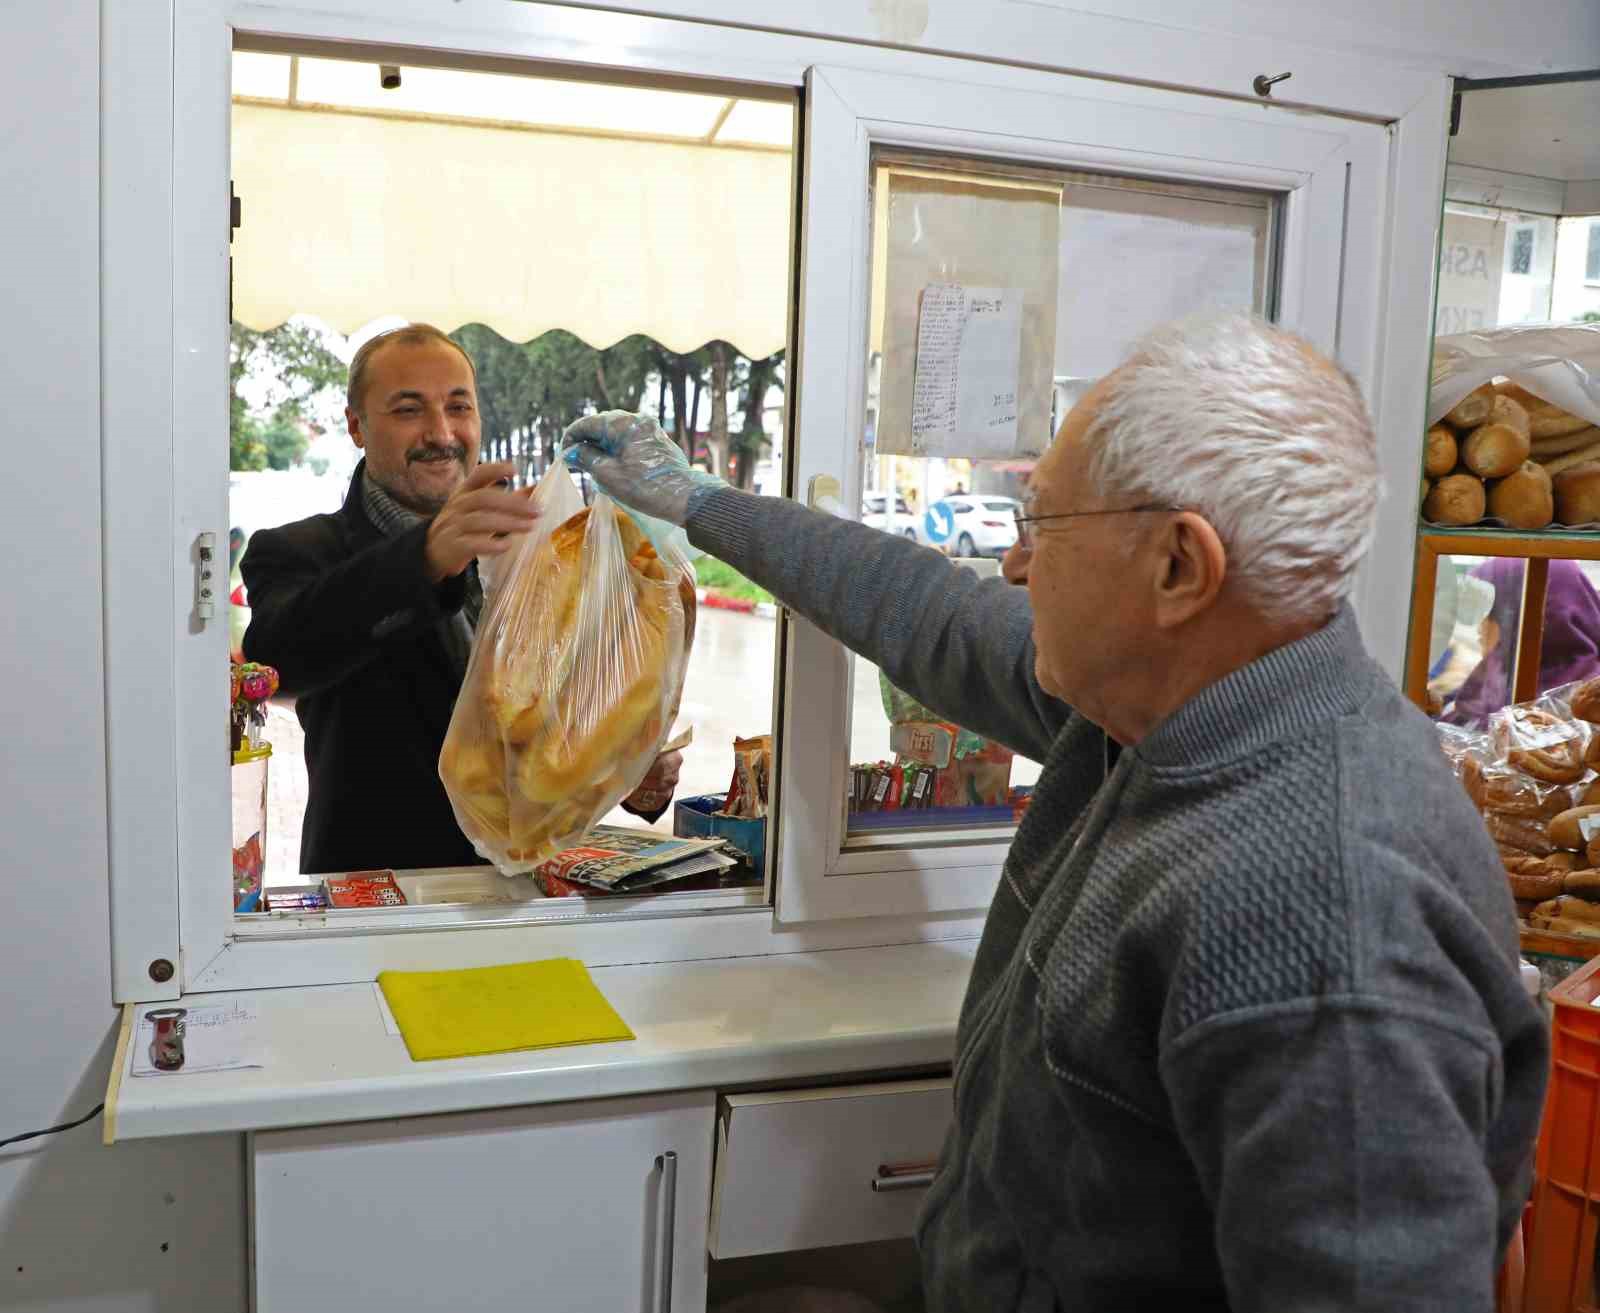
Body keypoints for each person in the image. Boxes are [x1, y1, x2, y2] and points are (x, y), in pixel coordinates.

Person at [565, 312, 1547, 1311]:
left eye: (1042, 524)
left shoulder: (1325, 913)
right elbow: (927, 611)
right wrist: (699, 501)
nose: (1014, 564)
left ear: (1178, 566)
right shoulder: (1161, 699)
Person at [241, 323, 681, 874]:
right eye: (408, 410)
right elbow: (278, 659)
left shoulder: (544, 548)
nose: (441, 432)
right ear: (356, 426)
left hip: (533, 892)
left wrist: (632, 768)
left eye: (458, 407)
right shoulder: (299, 551)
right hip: (381, 893)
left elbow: (577, 714)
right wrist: (423, 557)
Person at [1443, 557, 1600, 728]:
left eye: (1491, 613)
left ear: (1520, 618)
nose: (1481, 627)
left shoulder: (1587, 709)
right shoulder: (1498, 678)